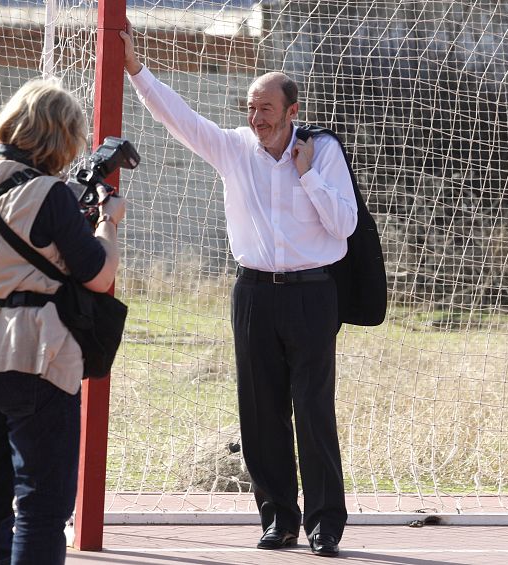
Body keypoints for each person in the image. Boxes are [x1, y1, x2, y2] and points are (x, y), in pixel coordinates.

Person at [121, 20, 357, 557]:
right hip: (253, 295)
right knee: (259, 410)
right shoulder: (232, 148)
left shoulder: (322, 153)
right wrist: (137, 69)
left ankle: (326, 524)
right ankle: (278, 518)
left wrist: (307, 176)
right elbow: (177, 117)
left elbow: (343, 226)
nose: (255, 119)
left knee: (312, 410)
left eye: (266, 110)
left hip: (311, 294)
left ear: (292, 112)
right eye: (250, 109)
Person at [0, 78, 126, 564]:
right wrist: (108, 223)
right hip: (34, 351)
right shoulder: (50, 193)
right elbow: (99, 275)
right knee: (42, 502)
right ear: (57, 135)